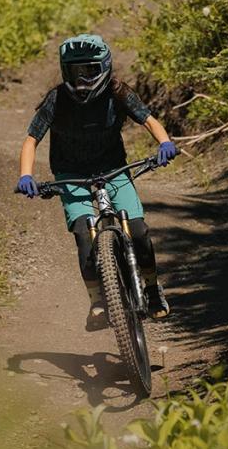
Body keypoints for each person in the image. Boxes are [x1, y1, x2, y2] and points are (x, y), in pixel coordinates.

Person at [14, 34, 176, 323]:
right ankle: (98, 301)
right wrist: (26, 175)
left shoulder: (118, 92)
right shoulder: (56, 99)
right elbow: (30, 140)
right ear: (65, 71)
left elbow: (149, 120)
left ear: (104, 67)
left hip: (113, 168)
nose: (82, 79)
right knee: (83, 236)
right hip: (70, 175)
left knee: (138, 231)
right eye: (75, 71)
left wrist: (164, 143)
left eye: (89, 70)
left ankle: (152, 289)